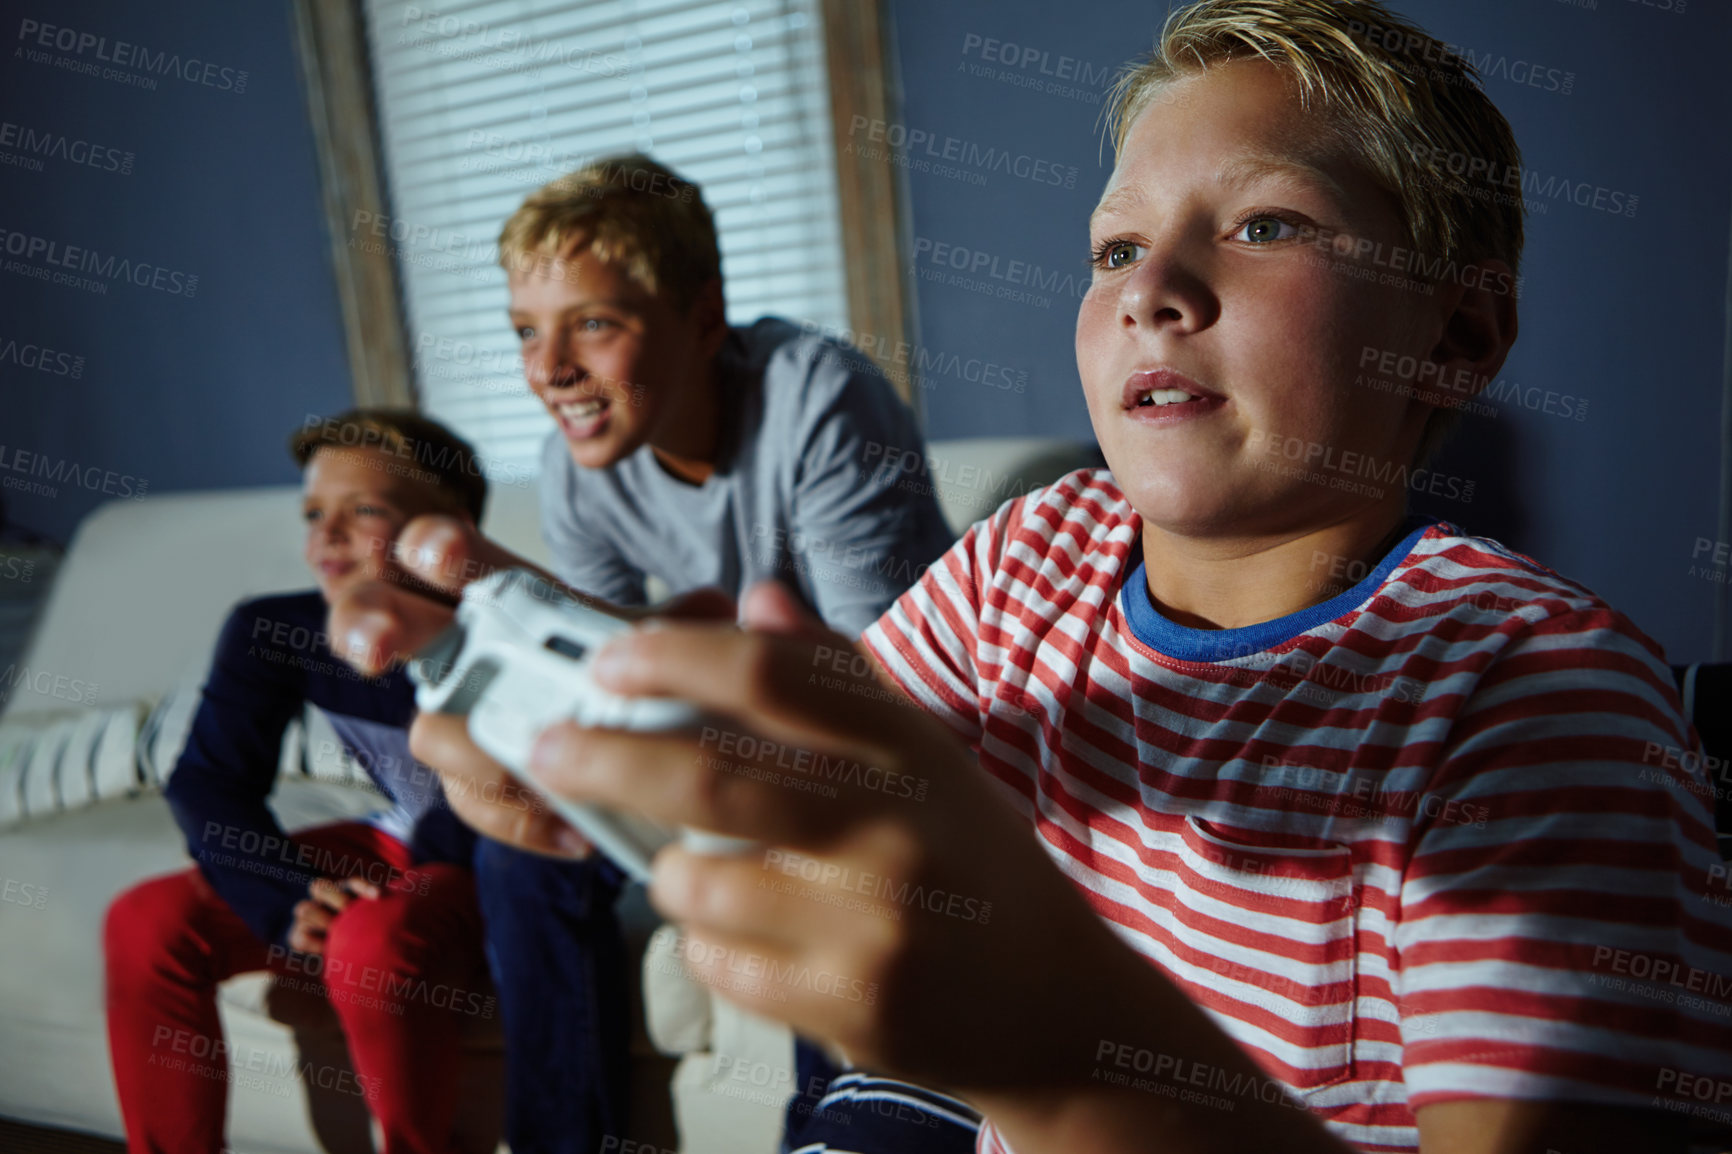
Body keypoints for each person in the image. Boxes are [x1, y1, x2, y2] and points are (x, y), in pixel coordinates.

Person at [333, 2, 1732, 1150]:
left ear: (1458, 336)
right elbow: (823, 785)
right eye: (1117, 247)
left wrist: (1061, 1060)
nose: (1152, 288)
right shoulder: (1036, 557)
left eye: (1264, 225)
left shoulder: (1537, 703)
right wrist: (593, 723)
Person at [472, 154, 959, 1154]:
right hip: (727, 718)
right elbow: (599, 678)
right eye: (527, 330)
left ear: (701, 318)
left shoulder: (821, 395)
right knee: (517, 851)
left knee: (817, 826)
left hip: (883, 741)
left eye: (593, 323)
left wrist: (679, 682)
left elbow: (876, 686)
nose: (549, 366)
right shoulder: (576, 461)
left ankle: (824, 1128)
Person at [104, 411, 494, 1154]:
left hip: (491, 854)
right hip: (395, 838)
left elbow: (475, 815)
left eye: (364, 512)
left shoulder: (491, 634)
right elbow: (208, 780)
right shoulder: (276, 630)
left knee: (369, 940)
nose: (326, 538)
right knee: (143, 919)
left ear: (449, 529)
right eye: (315, 514)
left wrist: (367, 907)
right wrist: (285, 895)